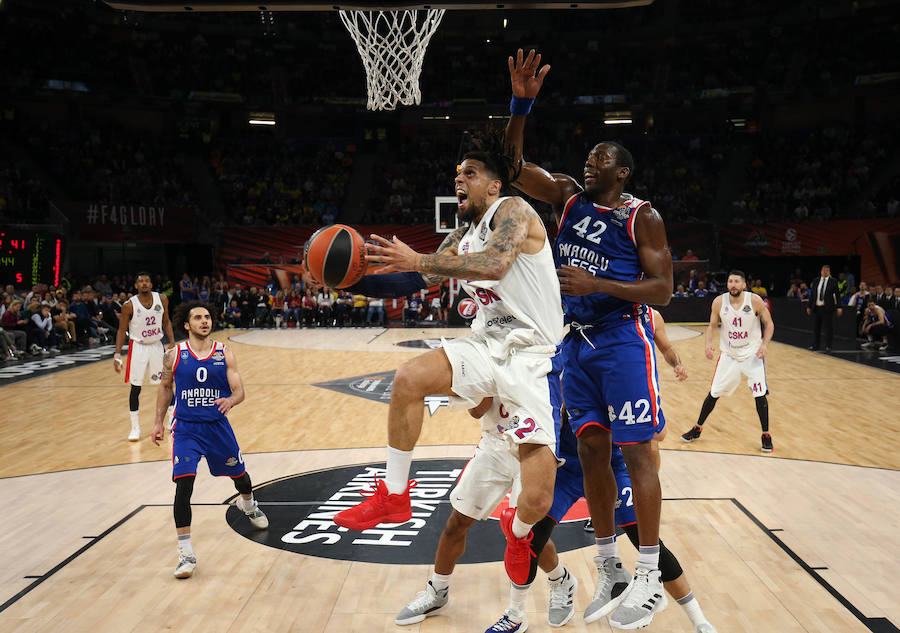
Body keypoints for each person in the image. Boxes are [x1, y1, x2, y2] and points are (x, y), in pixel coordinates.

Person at [334, 138, 566, 598]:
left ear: (494, 184)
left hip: (535, 358)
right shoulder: (462, 236)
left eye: (471, 173)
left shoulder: (513, 209)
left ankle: (521, 533)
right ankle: (394, 496)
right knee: (408, 379)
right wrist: (350, 278)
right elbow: (415, 279)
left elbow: (497, 264)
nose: (459, 179)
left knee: (537, 500)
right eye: (457, 173)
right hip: (488, 344)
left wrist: (418, 258)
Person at [505, 48, 673, 629]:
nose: (590, 158)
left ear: (622, 172)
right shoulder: (568, 198)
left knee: (637, 454)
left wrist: (598, 280)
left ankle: (648, 572)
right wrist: (520, 103)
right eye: (590, 154)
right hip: (573, 345)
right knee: (593, 453)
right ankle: (611, 566)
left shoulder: (640, 217)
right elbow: (512, 165)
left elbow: (664, 290)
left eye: (603, 156)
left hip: (620, 341)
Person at [150, 301, 268, 579]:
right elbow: (165, 388)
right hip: (186, 429)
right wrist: (157, 422)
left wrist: (231, 400)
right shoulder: (173, 355)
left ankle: (248, 504)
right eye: (198, 318)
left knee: (241, 478)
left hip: (217, 427)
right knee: (183, 485)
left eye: (207, 317)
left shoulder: (224, 352)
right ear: (186, 325)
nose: (204, 321)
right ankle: (185, 553)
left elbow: (239, 390)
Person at [681, 270, 775, 452]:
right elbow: (712, 325)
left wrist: (765, 345)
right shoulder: (718, 302)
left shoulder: (754, 301)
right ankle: (697, 428)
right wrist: (708, 344)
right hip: (729, 354)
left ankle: (766, 434)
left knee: (759, 393)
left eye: (737, 282)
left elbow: (769, 324)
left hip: (752, 353)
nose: (733, 284)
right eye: (730, 281)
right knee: (714, 392)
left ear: (744, 285)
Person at [114, 272, 176, 441]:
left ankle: (173, 420)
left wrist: (172, 341)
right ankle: (135, 427)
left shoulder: (162, 299)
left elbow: (166, 321)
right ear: (135, 286)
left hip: (157, 345)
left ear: (151, 283)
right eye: (140, 281)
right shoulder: (129, 305)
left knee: (166, 383)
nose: (144, 283)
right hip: (138, 348)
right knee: (136, 388)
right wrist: (117, 354)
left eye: (147, 281)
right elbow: (121, 330)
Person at [807, 264, 842, 352]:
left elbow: (837, 295)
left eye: (827, 270)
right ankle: (816, 345)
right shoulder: (816, 280)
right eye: (823, 270)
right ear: (821, 271)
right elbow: (812, 295)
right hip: (817, 307)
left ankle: (828, 346)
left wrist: (839, 307)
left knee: (828, 328)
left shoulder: (833, 281)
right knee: (816, 328)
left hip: (827, 308)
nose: (825, 272)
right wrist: (809, 306)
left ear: (829, 272)